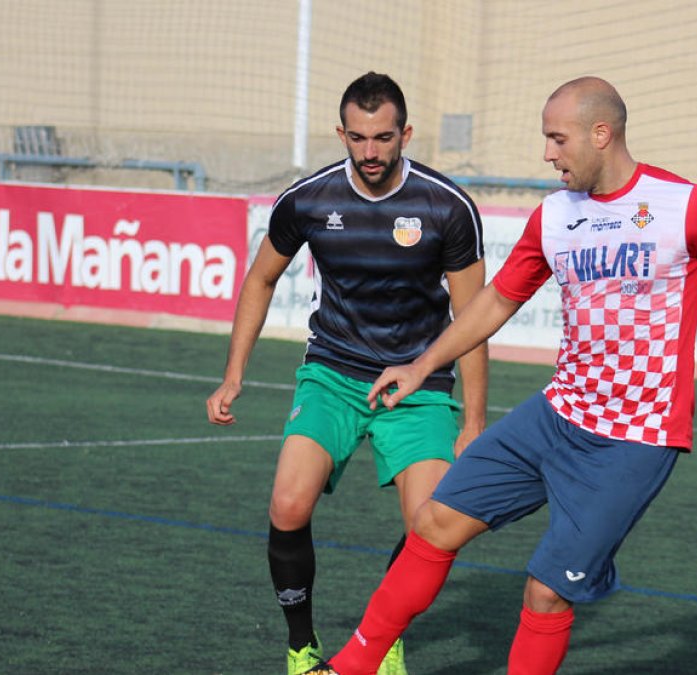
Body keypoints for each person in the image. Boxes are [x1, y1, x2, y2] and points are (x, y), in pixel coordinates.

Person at [311, 75, 697, 675]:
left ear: (600, 134)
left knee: (546, 591)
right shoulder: (554, 216)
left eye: (557, 139)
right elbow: (498, 299)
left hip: (635, 439)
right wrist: (424, 364)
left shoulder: (685, 206)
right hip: (555, 416)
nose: (546, 153)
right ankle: (349, 667)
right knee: (434, 522)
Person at [205, 71, 488, 675]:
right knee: (287, 504)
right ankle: (301, 647)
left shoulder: (447, 206)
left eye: (384, 138)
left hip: (417, 383)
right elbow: (260, 278)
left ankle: (380, 640)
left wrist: (475, 420)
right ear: (341, 132)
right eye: (358, 138)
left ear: (405, 133)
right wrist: (234, 376)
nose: (371, 152)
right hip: (333, 372)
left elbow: (473, 318)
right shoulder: (308, 200)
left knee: (431, 526)